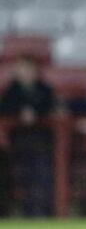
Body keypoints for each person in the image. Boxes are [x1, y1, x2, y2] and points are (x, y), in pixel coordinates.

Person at [0, 56, 56, 216]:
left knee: (42, 177)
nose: (25, 73)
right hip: (19, 142)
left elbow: (51, 106)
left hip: (41, 142)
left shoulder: (44, 89)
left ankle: (43, 211)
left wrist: (35, 112)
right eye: (22, 69)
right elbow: (5, 108)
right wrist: (20, 112)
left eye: (28, 69)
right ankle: (26, 211)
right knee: (22, 178)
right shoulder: (11, 91)